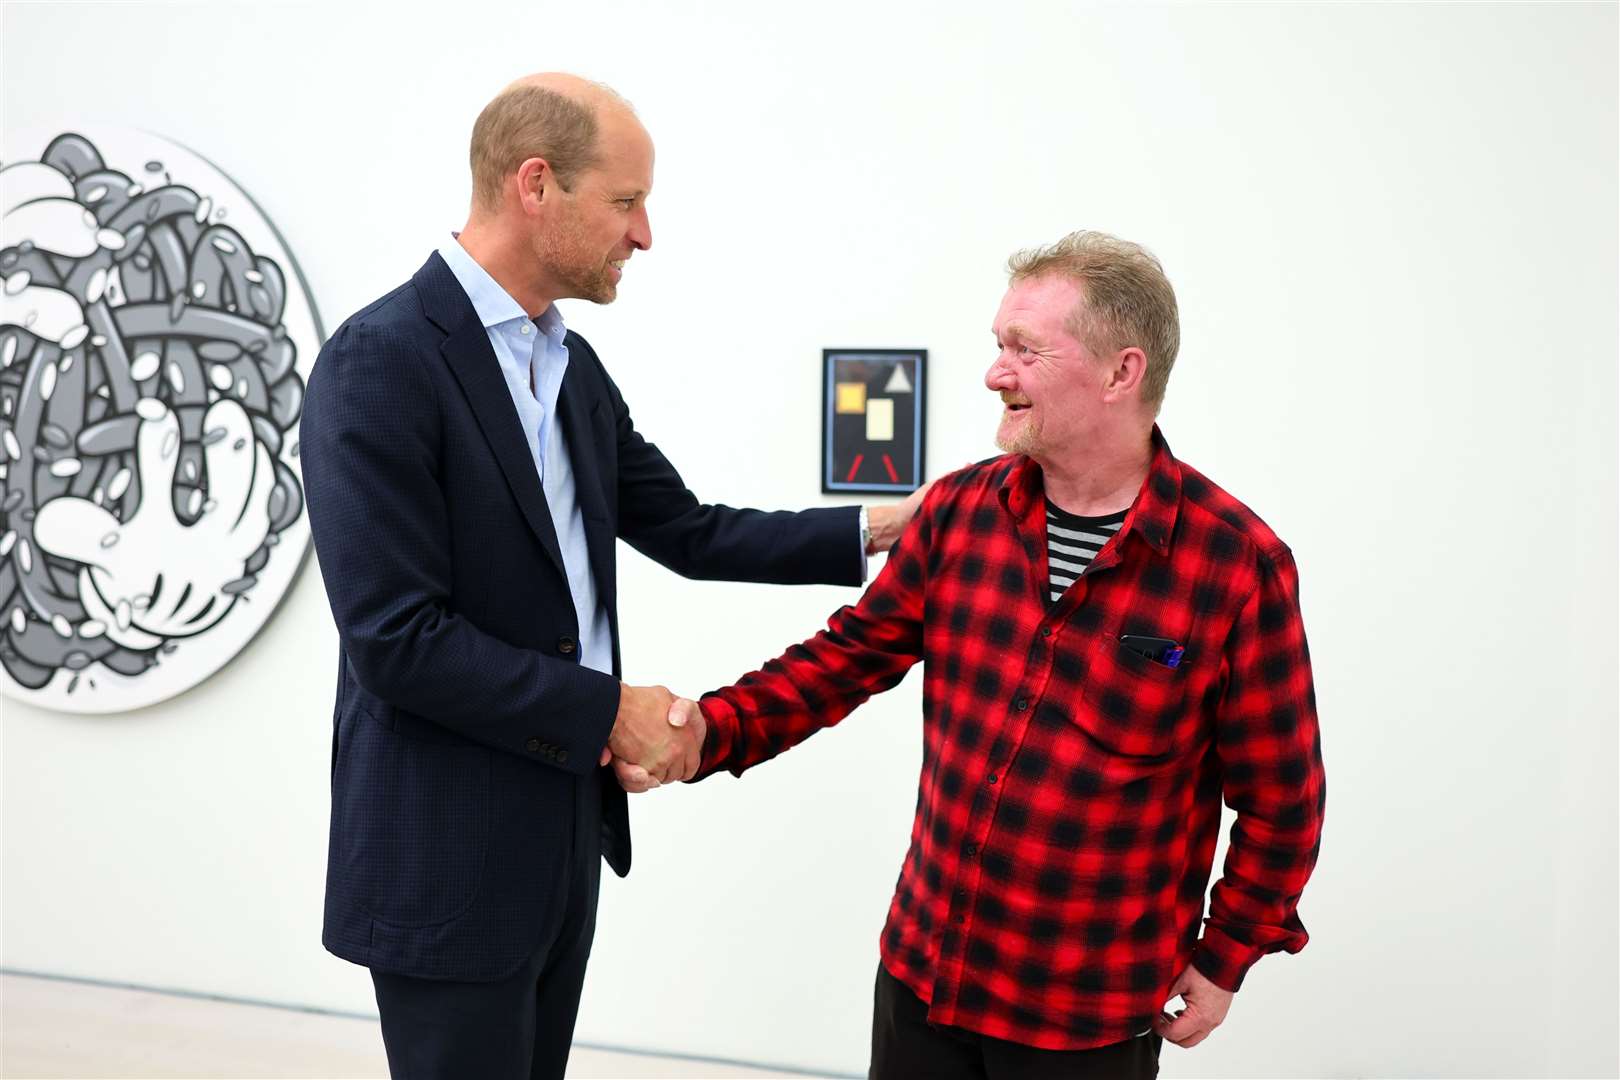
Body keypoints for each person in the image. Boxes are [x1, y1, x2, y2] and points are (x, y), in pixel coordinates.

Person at [298, 73, 925, 1079]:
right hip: (445, 857)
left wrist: (892, 525)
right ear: (534, 184)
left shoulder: (572, 369)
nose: (644, 235)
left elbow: (690, 530)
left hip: (563, 836)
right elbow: (396, 641)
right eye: (626, 201)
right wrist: (606, 711)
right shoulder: (380, 363)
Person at [641, 231, 1326, 1079]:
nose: (995, 373)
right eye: (998, 346)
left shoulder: (1236, 563)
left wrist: (1225, 959)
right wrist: (707, 729)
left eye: (1025, 350)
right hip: (925, 982)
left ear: (1122, 372)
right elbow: (845, 658)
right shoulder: (961, 513)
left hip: (1088, 1021)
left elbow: (1282, 802)